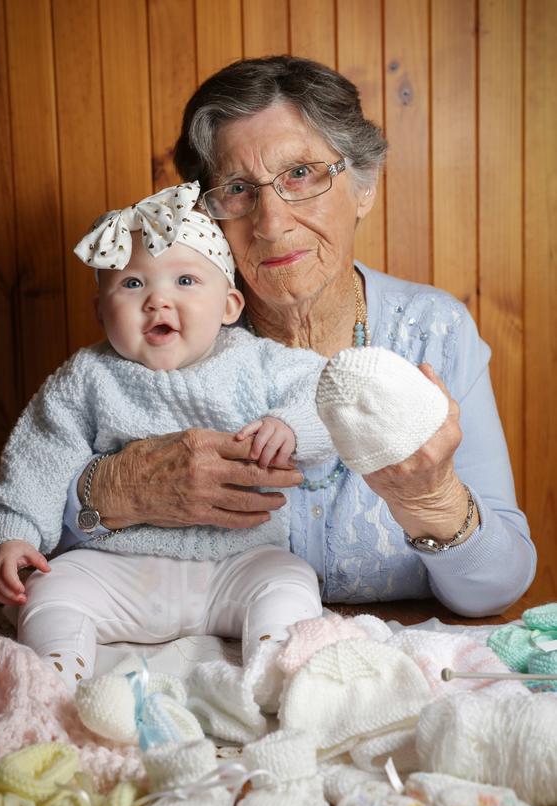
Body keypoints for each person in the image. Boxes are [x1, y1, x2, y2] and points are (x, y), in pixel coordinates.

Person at [62, 55, 536, 617]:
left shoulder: (433, 331)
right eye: (237, 188)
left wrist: (433, 500)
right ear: (205, 219)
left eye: (301, 175)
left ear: (363, 186)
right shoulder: (164, 328)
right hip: (214, 662)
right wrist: (121, 489)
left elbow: (498, 588)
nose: (272, 221)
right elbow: (54, 559)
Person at [0, 182, 347, 694]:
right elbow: (38, 456)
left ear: (230, 305)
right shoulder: (86, 377)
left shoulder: (254, 363)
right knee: (49, 590)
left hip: (237, 563)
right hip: (117, 567)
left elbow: (327, 391)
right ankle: (53, 681)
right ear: (100, 311)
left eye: (186, 280)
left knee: (289, 580)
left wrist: (290, 425)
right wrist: (15, 534)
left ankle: (276, 676)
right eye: (130, 285)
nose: (157, 301)